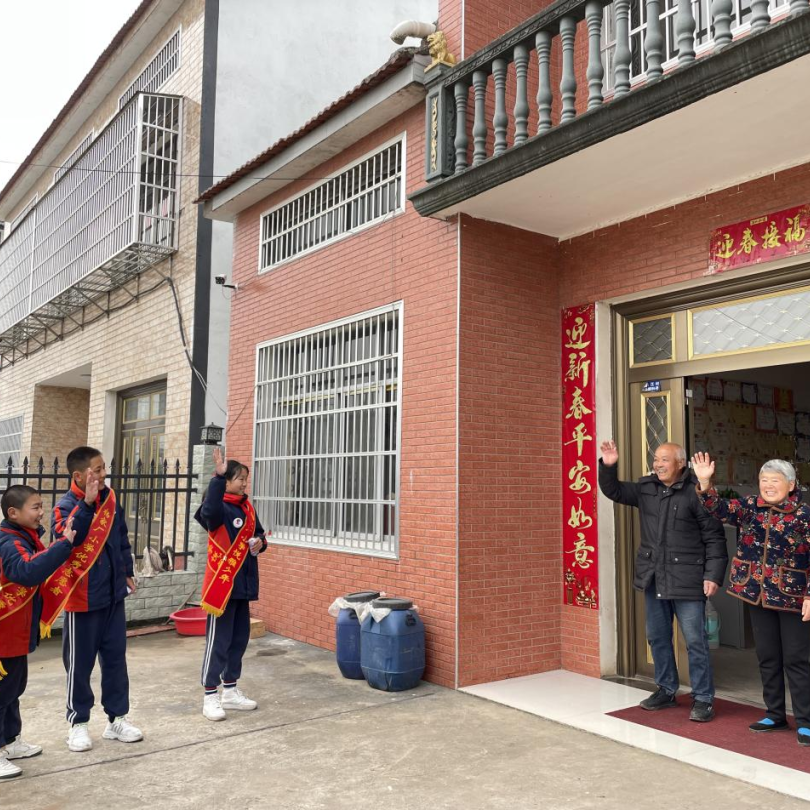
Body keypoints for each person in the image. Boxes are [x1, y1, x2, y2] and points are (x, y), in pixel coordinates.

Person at [599, 440, 727, 721]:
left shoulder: (697, 492)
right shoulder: (647, 488)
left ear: (680, 463)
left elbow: (715, 538)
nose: (657, 464)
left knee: (695, 641)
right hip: (654, 576)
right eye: (656, 459)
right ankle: (666, 690)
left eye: (664, 460)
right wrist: (608, 465)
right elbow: (614, 491)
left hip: (688, 578)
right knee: (657, 637)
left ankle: (703, 698)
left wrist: (713, 575)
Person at [692, 453, 810, 745]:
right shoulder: (749, 507)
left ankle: (806, 721)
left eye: (775, 481)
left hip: (793, 596)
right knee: (767, 656)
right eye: (764, 480)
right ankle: (775, 714)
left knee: (797, 659)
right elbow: (718, 509)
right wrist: (705, 483)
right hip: (756, 593)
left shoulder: (804, 515)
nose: (768, 486)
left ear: (791, 485)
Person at [51, 446, 142, 752]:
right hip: (83, 600)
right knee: (79, 665)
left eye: (104, 468)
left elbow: (122, 538)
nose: (104, 474)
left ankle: (117, 719)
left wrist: (127, 571)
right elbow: (68, 540)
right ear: (79, 475)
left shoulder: (111, 499)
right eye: (98, 469)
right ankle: (78, 723)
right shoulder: (64, 507)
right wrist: (87, 504)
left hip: (113, 595)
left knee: (115, 660)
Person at [0, 487, 78, 779]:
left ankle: (11, 740)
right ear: (13, 513)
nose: (41, 512)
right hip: (5, 633)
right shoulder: (9, 542)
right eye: (35, 507)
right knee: (3, 691)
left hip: (16, 632)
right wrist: (63, 545)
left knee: (14, 688)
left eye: (42, 506)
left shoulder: (23, 537)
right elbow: (27, 572)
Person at [196, 447, 268, 721]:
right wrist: (217, 476)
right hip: (222, 588)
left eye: (246, 480)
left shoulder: (247, 507)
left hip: (243, 586)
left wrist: (260, 543)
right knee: (218, 642)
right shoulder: (216, 508)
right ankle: (210, 695)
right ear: (226, 482)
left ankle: (230, 690)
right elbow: (209, 512)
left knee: (238, 640)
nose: (244, 484)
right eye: (240, 479)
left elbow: (259, 534)